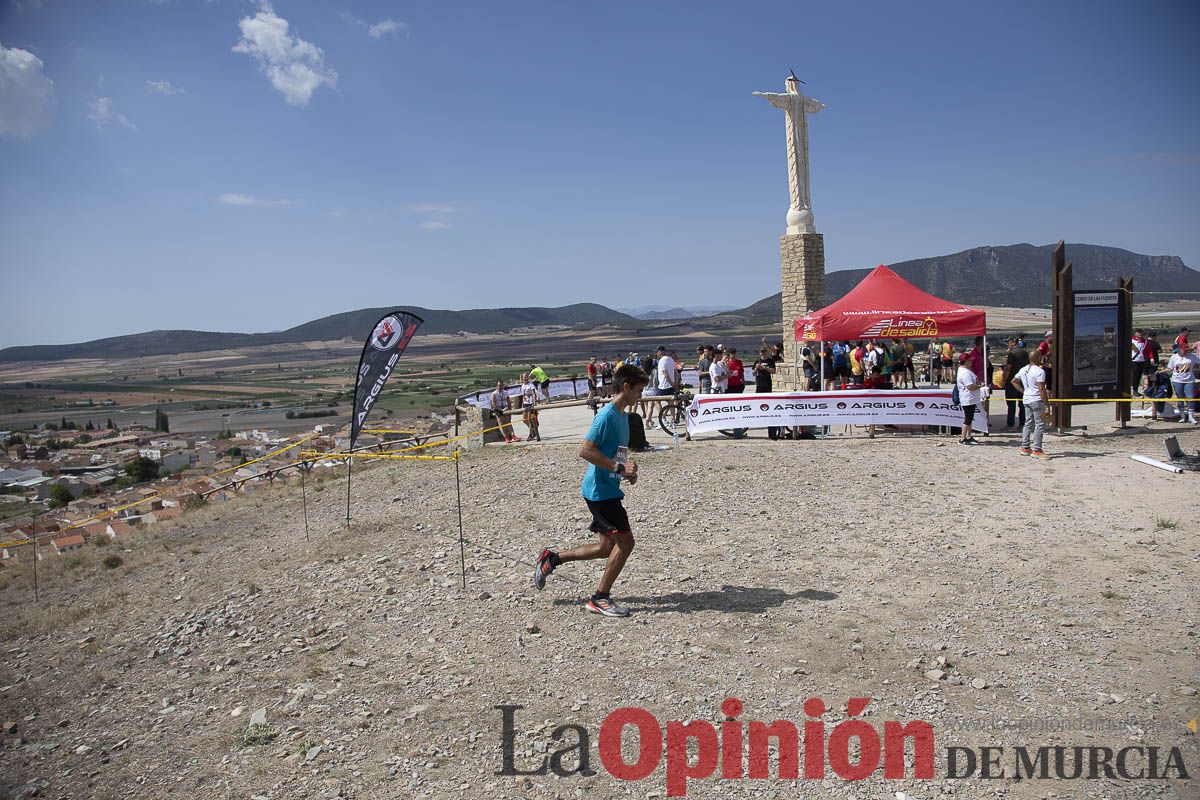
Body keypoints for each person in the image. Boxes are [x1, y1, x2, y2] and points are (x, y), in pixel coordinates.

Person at [532, 363, 649, 617]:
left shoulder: (623, 416)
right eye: (639, 390)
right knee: (626, 543)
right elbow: (585, 450)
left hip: (607, 488)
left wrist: (626, 471)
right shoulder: (606, 416)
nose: (642, 395)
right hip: (600, 493)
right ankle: (600, 598)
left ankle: (552, 559)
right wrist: (619, 468)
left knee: (607, 547)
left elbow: (615, 454)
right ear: (626, 387)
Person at [1012, 350, 1051, 459]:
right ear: (1037, 358)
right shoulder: (1039, 371)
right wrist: (1047, 404)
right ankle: (1037, 449)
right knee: (1039, 424)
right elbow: (1041, 388)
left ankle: (1025, 447)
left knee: (1028, 422)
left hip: (1027, 399)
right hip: (1037, 399)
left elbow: (1014, 381)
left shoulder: (1023, 369)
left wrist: (1024, 391)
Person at [1001, 337, 1030, 430]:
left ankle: (1010, 424)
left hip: (1012, 381)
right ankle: (1022, 423)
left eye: (1009, 342)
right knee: (1022, 404)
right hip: (1023, 381)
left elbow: (1009, 368)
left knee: (1011, 404)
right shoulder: (1025, 352)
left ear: (1013, 343)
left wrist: (1004, 379)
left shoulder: (1012, 353)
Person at [753, 346, 780, 439]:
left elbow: (773, 371)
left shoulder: (770, 361)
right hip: (759, 384)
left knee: (768, 401)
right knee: (758, 401)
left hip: (767, 383)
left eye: (764, 352)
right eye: (761, 352)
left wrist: (764, 368)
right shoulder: (757, 361)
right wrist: (757, 368)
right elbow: (753, 373)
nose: (762, 353)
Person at [955, 352, 982, 445]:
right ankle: (963, 438)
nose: (971, 362)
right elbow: (970, 386)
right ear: (966, 361)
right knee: (968, 419)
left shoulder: (965, 370)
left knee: (970, 418)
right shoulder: (965, 372)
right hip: (968, 398)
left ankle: (969, 436)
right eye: (970, 360)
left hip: (971, 398)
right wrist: (980, 386)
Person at [1167, 344, 1198, 423]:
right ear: (1179, 349)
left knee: (1190, 397)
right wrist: (1160, 372)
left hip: (1189, 380)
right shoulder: (1174, 357)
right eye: (1184, 350)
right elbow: (1169, 368)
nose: (1186, 351)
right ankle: (1182, 416)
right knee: (1180, 397)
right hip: (1177, 380)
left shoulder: (1191, 356)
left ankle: (1191, 417)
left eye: (1187, 350)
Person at [726, 348, 747, 438]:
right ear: (729, 354)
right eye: (731, 353)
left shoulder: (739, 362)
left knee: (738, 403)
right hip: (729, 386)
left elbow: (741, 372)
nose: (733, 355)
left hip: (738, 385)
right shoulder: (727, 363)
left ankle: (739, 421)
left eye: (734, 353)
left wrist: (743, 381)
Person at [520, 373, 542, 441]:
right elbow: (523, 395)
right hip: (525, 403)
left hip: (530, 403)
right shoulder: (523, 385)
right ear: (522, 378)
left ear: (528, 377)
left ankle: (531, 434)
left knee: (529, 420)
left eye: (526, 377)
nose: (525, 378)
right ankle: (533, 429)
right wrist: (522, 405)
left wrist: (534, 404)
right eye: (524, 377)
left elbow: (533, 394)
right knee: (524, 420)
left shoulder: (531, 385)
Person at [1130, 329, 1148, 396]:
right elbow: (1135, 350)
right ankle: (1134, 390)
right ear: (1135, 333)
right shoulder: (1131, 340)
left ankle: (1136, 390)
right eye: (1138, 333)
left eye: (1141, 333)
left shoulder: (1145, 341)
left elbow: (1147, 350)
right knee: (1135, 375)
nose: (1140, 334)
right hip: (1134, 361)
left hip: (1142, 360)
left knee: (1139, 376)